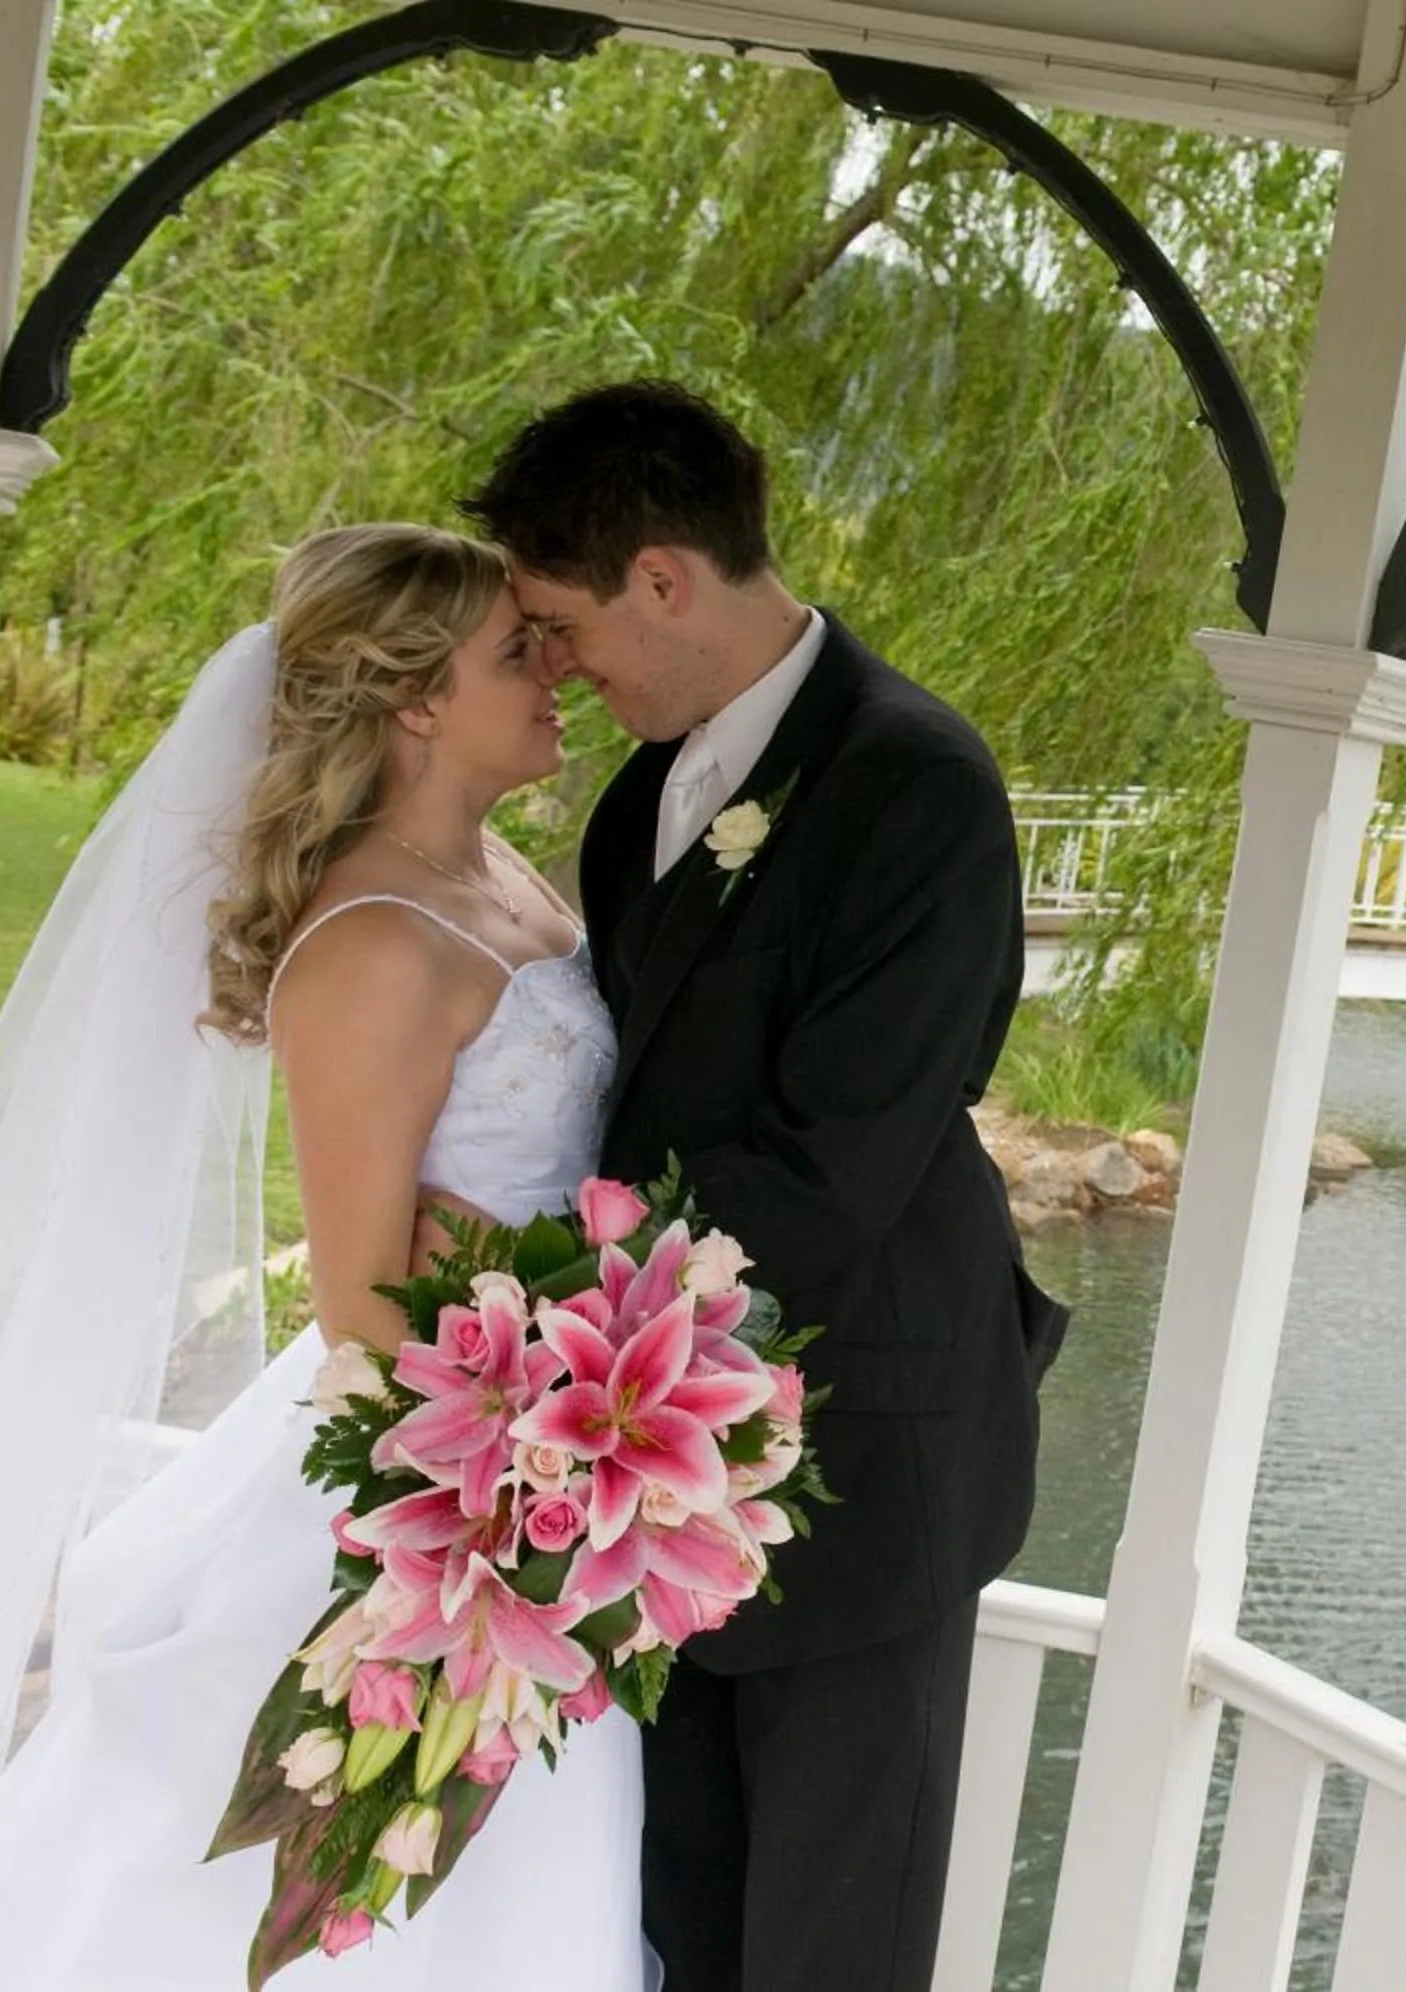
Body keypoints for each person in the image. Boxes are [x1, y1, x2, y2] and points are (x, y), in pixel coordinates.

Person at [0, 525, 648, 1988]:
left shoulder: (502, 874)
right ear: (414, 697)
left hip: (552, 1426)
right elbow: (362, 1303)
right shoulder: (376, 944)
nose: (559, 671)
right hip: (450, 1466)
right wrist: (529, 1472)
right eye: (516, 650)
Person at [464, 379, 1065, 1992]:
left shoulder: (916, 784)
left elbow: (830, 1165)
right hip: (659, 1474)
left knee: (825, 1954)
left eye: (560, 622)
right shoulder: (639, 800)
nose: (555, 664)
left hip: (863, 1468)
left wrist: (539, 1335)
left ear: (663, 579)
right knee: (682, 1923)